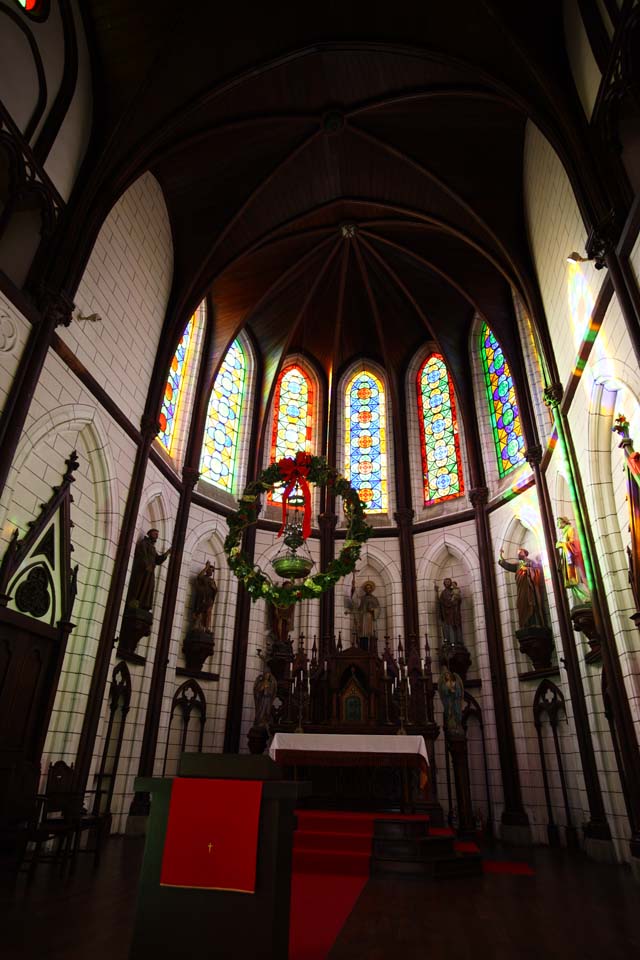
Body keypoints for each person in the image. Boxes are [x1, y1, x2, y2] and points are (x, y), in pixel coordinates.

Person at [498, 547, 546, 630]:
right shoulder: (518, 565)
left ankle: (535, 622)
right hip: (521, 590)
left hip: (530, 589)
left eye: (520, 552)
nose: (518, 554)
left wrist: (527, 570)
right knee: (521, 604)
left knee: (531, 603)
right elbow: (507, 565)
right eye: (518, 553)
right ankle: (525, 624)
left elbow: (537, 571)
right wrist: (500, 555)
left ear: (525, 553)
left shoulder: (530, 562)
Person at [125, 528, 170, 611]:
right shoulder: (144, 543)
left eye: (157, 534)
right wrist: (146, 565)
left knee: (148, 588)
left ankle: (143, 605)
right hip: (143, 571)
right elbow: (142, 554)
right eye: (155, 534)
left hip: (150, 571)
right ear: (149, 534)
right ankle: (135, 602)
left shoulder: (152, 547)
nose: (157, 536)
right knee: (140, 586)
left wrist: (167, 553)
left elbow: (158, 560)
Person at [556, 516, 591, 605]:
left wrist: (561, 544)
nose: (557, 524)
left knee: (575, 579)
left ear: (564, 522)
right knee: (572, 582)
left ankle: (587, 596)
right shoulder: (564, 533)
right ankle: (583, 599)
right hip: (567, 560)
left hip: (572, 559)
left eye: (559, 522)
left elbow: (574, 543)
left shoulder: (570, 529)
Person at [438, 666, 464, 737]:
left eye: (448, 674)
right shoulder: (444, 683)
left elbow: (459, 691)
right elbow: (443, 691)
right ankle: (452, 727)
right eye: (445, 675)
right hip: (449, 702)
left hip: (455, 701)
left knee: (457, 712)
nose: (447, 676)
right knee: (450, 713)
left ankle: (458, 725)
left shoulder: (454, 681)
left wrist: (454, 691)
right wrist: (449, 690)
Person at [192, 560, 217, 631]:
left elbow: (215, 590)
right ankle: (197, 626)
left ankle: (206, 628)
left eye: (212, 571)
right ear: (207, 570)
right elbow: (199, 577)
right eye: (211, 570)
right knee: (200, 611)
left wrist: (214, 587)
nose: (212, 572)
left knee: (208, 613)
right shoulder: (204, 577)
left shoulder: (212, 581)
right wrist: (206, 567)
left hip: (209, 599)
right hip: (202, 598)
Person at [437, 578, 463, 644]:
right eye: (446, 582)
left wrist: (457, 599)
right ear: (444, 584)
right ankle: (451, 641)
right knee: (448, 627)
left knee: (456, 625)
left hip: (454, 613)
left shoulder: (454, 590)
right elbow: (442, 602)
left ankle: (458, 641)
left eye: (448, 582)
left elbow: (458, 600)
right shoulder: (443, 593)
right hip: (447, 614)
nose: (447, 583)